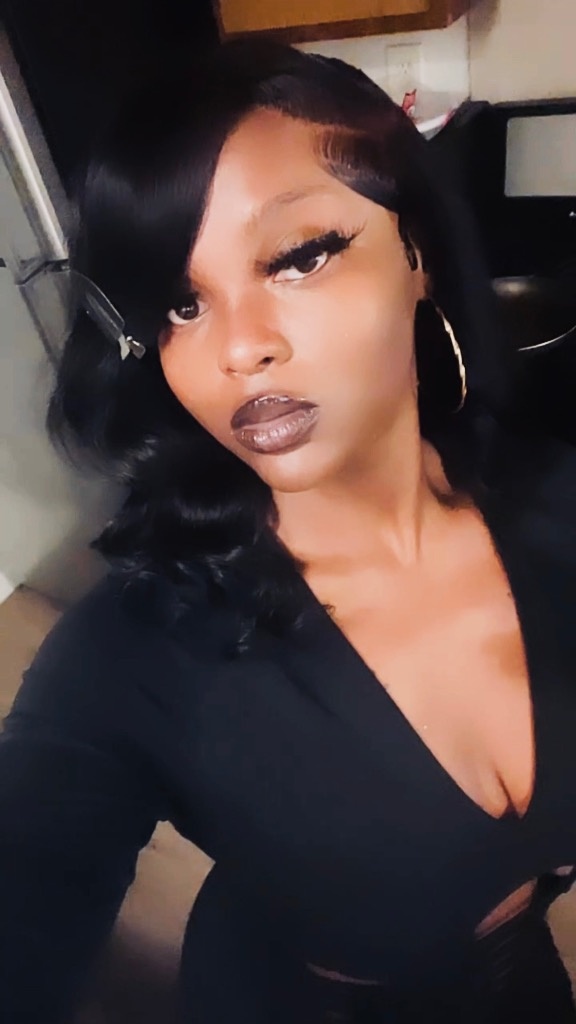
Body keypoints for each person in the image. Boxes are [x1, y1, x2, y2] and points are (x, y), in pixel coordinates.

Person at [1, 38, 576, 1024]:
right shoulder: (131, 655)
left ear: (419, 254)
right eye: (180, 303)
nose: (239, 348)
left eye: (298, 257)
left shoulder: (555, 499)